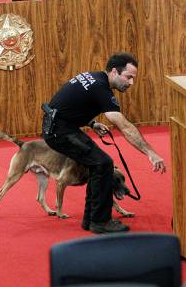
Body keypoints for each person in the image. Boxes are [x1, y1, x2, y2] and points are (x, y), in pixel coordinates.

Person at [41, 52, 166, 234]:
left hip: (59, 126)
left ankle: (91, 219)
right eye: (128, 77)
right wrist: (150, 153)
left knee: (99, 164)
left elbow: (69, 103)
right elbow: (123, 125)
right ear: (114, 71)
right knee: (103, 164)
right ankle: (100, 221)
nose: (131, 83)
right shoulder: (101, 87)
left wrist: (91, 122)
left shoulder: (93, 77)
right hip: (59, 132)